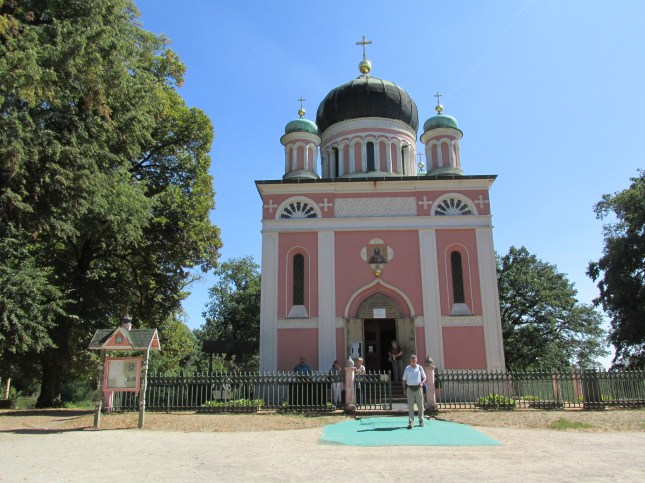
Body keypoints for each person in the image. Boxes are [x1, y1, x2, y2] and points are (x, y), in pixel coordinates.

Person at [402, 354, 426, 429]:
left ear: (416, 360)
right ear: (410, 360)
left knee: (420, 405)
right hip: (410, 388)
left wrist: (422, 382)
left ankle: (421, 421)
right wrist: (404, 389)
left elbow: (424, 377)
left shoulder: (420, 368)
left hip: (418, 388)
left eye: (414, 359)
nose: (413, 360)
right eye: (412, 359)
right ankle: (411, 422)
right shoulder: (407, 368)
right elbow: (404, 380)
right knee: (410, 406)